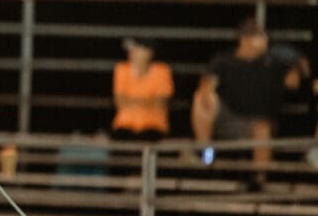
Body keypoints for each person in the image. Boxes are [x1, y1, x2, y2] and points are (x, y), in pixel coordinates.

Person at [192, 18, 299, 166]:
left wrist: (294, 66)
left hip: (259, 122)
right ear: (244, 39)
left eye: (264, 35)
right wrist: (206, 95)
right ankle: (205, 155)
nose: (264, 40)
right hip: (230, 118)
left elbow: (293, 83)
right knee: (201, 100)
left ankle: (259, 179)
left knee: (262, 129)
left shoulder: (273, 61)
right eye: (258, 36)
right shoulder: (224, 61)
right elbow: (207, 84)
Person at [111, 37, 174, 141]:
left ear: (149, 52)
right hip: (124, 126)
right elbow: (120, 102)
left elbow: (160, 103)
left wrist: (132, 102)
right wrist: (147, 102)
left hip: (153, 127)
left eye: (136, 49)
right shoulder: (121, 69)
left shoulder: (162, 70)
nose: (131, 52)